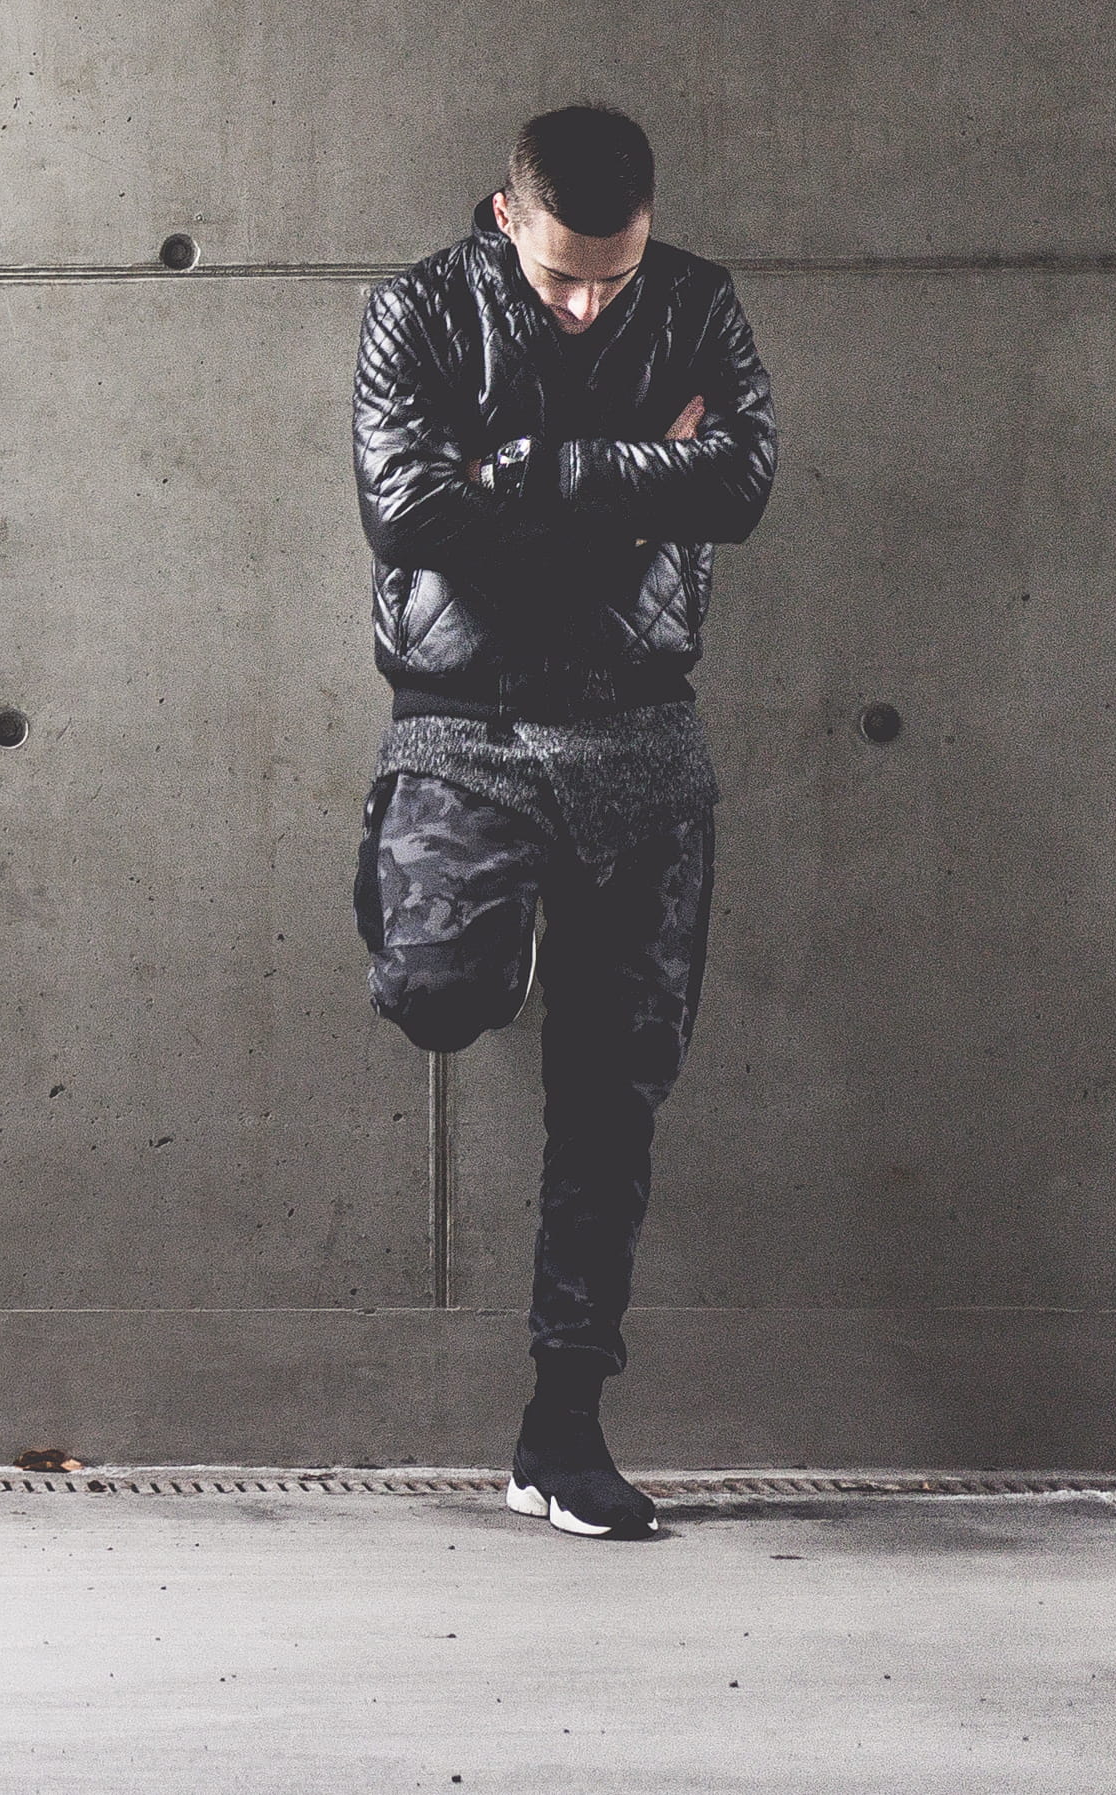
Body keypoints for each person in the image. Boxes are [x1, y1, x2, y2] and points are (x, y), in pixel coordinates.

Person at [349, 104, 776, 1537]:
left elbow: (744, 483)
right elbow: (408, 512)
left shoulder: (701, 302)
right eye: (560, 280)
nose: (592, 303)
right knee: (435, 991)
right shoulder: (413, 311)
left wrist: (524, 472)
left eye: (618, 275)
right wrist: (635, 484)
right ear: (501, 218)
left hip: (643, 728)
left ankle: (562, 1429)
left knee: (618, 1093)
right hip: (465, 724)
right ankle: (490, 931)